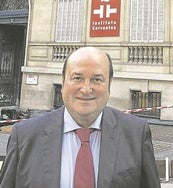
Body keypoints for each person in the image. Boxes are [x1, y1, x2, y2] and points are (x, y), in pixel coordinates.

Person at [0, 46, 161, 188]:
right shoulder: (24, 136)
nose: (86, 89)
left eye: (97, 79)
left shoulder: (136, 134)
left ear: (109, 85)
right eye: (77, 78)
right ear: (63, 82)